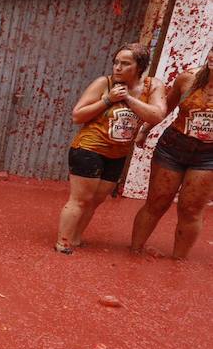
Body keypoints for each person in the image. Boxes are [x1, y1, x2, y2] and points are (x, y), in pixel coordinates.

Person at [54, 43, 166, 254]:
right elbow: (77, 115)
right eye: (116, 63)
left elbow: (157, 115)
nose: (118, 68)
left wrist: (128, 99)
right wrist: (108, 100)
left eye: (125, 64)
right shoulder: (104, 83)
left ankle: (76, 237)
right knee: (81, 198)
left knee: (96, 200)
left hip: (117, 153)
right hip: (89, 147)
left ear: (140, 67)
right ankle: (63, 242)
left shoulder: (153, 87)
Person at [130, 46, 213, 259]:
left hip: (208, 156)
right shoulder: (188, 79)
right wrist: (145, 130)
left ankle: (178, 259)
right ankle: (135, 250)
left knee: (191, 209)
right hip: (173, 147)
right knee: (157, 202)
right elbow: (166, 106)